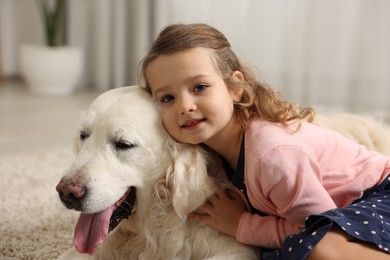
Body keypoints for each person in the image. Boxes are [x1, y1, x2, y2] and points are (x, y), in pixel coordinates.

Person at [139, 23, 390, 259]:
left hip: (379, 195)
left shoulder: (272, 155)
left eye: (200, 87)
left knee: (318, 248)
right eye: (167, 98)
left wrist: (241, 225)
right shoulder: (202, 148)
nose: (185, 106)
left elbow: (318, 226)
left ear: (235, 88)